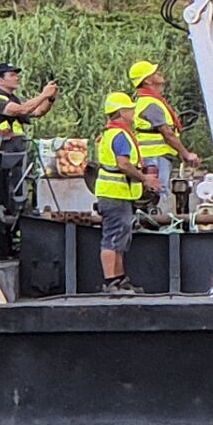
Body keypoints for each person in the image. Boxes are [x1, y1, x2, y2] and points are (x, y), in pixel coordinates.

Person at [93, 92, 150, 295]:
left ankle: (119, 280)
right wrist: (144, 178)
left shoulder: (110, 133)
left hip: (117, 194)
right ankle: (111, 283)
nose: (133, 112)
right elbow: (123, 163)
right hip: (115, 194)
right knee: (113, 238)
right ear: (122, 112)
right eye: (130, 109)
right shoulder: (120, 135)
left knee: (119, 237)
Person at [129, 60, 200, 197]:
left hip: (155, 156)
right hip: (155, 157)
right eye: (154, 72)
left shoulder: (149, 101)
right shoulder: (151, 104)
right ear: (147, 81)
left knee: (157, 194)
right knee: (160, 194)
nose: (159, 73)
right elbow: (168, 134)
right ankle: (158, 217)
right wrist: (186, 154)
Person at [0, 62, 58, 141]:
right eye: (12, 75)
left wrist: (50, 98)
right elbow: (24, 110)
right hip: (1, 147)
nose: (17, 78)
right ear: (0, 81)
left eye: (16, 75)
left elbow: (39, 111)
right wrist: (44, 95)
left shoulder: (13, 99)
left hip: (16, 145)